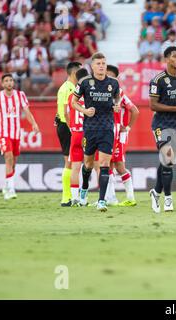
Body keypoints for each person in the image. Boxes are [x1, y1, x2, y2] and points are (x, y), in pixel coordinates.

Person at [71, 52, 121, 212]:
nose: (101, 66)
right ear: (92, 66)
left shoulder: (113, 83)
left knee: (105, 164)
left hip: (107, 128)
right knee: (88, 164)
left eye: (103, 63)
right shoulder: (85, 82)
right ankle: (84, 191)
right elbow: (73, 102)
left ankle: (101, 201)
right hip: (90, 129)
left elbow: (117, 98)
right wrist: (85, 111)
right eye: (98, 64)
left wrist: (116, 106)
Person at [148, 46, 176, 213]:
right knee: (167, 158)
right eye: (175, 56)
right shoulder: (157, 80)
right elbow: (153, 105)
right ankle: (168, 199)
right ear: (166, 59)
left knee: (167, 161)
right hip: (161, 124)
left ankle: (156, 192)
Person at [0, 73, 40, 200]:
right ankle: (11, 189)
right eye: (6, 81)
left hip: (17, 133)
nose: (9, 83)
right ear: (2, 84)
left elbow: (27, 111)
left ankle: (6, 185)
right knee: (8, 157)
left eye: (11, 80)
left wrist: (33, 123)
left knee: (14, 161)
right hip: (4, 133)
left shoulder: (20, 95)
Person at [105, 64, 139, 207]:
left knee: (117, 165)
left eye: (110, 75)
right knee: (109, 165)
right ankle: (111, 197)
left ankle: (128, 197)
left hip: (117, 133)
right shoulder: (102, 92)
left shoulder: (119, 93)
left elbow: (135, 111)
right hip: (108, 131)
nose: (107, 78)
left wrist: (128, 128)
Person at [56, 61, 82, 206]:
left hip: (66, 125)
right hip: (67, 127)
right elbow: (66, 112)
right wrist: (72, 128)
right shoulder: (68, 88)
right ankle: (66, 197)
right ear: (74, 73)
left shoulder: (69, 87)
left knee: (72, 161)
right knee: (70, 162)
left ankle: (71, 196)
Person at [67, 68, 89, 207]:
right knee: (91, 166)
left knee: (75, 167)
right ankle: (86, 198)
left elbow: (66, 114)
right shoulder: (89, 93)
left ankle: (74, 198)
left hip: (75, 133)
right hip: (87, 133)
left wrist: (72, 128)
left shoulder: (71, 96)